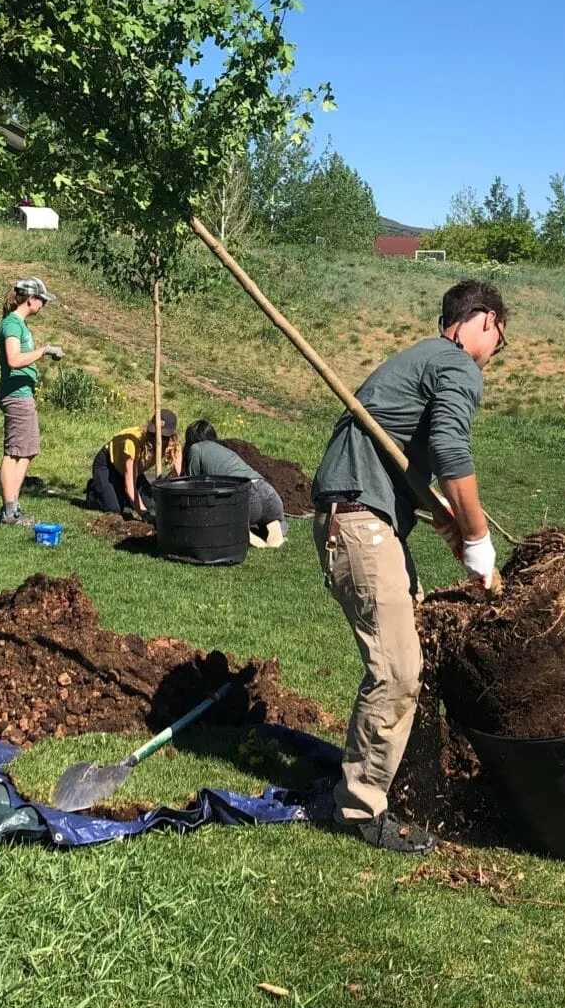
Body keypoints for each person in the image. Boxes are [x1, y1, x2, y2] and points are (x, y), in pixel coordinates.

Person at [309, 279, 507, 854]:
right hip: (362, 525)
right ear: (486, 321)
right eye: (500, 339)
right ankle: (361, 807)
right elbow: (450, 450)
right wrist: (477, 537)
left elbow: (403, 461)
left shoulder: (416, 362)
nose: (494, 352)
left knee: (416, 649)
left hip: (362, 518)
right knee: (396, 670)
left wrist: (444, 519)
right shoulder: (456, 364)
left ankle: (411, 780)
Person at [0, 277, 61, 527]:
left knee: (28, 450)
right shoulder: (12, 324)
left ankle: (14, 505)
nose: (43, 304)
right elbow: (13, 359)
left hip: (23, 394)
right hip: (16, 395)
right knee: (13, 452)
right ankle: (9, 511)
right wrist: (43, 352)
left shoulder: (19, 324)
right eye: (42, 300)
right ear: (30, 299)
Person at [180, 418, 287, 549]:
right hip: (268, 492)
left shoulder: (196, 449)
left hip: (247, 497)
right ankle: (274, 524)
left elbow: (192, 485)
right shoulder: (223, 450)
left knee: (216, 519)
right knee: (271, 516)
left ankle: (243, 533)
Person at [85, 410, 178, 519]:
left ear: (172, 435)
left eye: (164, 437)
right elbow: (130, 486)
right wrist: (145, 515)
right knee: (114, 508)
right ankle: (94, 491)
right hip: (108, 465)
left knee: (152, 503)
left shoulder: (173, 443)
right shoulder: (133, 443)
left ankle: (119, 490)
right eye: (153, 434)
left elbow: (179, 473)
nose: (158, 440)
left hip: (135, 471)